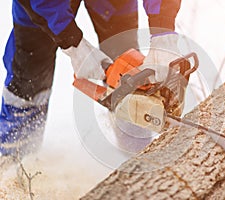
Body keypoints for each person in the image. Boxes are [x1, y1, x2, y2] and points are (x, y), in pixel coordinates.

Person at [0, 0, 181, 159]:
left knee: (128, 69)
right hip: (44, 3)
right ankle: (15, 160)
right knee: (29, 77)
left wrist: (162, 29)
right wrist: (73, 44)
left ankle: (137, 157)